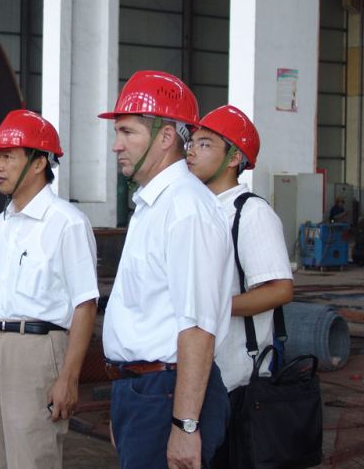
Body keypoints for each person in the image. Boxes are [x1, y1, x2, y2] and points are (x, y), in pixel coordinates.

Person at [99, 71, 235, 469]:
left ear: (165, 136)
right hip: (145, 392)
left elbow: (198, 327)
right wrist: (126, 401)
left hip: (168, 393)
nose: (116, 145)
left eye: (127, 132)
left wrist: (185, 424)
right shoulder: (154, 205)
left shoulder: (186, 209)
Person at [0, 109, 99, 469]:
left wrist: (69, 378)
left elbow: (85, 304)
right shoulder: (0, 224)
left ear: (39, 163)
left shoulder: (67, 223)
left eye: (8, 156)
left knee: (31, 458)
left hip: (38, 352)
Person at [185, 105, 293, 469]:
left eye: (205, 143)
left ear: (234, 157)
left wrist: (213, 306)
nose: (191, 150)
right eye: (192, 142)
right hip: (195, 376)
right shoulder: (197, 209)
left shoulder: (251, 213)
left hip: (235, 384)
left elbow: (280, 290)